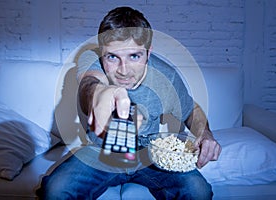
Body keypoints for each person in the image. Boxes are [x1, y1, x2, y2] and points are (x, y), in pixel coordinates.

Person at [37, 6, 221, 199]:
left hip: (151, 155)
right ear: (102, 53)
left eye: (134, 56)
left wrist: (205, 133)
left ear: (148, 53)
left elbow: (191, 110)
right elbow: (89, 84)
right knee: (55, 190)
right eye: (112, 57)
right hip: (100, 151)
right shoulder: (91, 58)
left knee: (198, 191)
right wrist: (99, 92)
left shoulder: (167, 76)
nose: (123, 71)